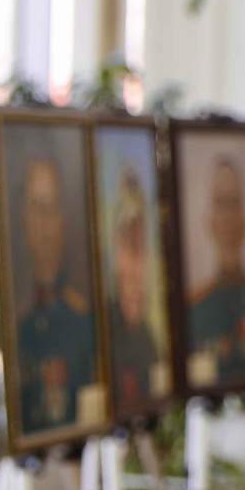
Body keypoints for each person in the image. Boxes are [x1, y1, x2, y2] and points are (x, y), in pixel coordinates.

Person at [12, 154, 97, 434]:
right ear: (24, 218)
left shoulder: (84, 317)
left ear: (63, 219)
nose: (45, 224)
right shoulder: (15, 320)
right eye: (37, 208)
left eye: (52, 209)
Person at [186, 154, 245, 385]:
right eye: (220, 204)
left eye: (234, 203)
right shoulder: (195, 307)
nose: (228, 217)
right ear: (209, 220)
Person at [105, 163, 167, 415]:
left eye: (140, 247)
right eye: (128, 246)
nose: (135, 267)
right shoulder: (105, 332)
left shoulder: (149, 340)